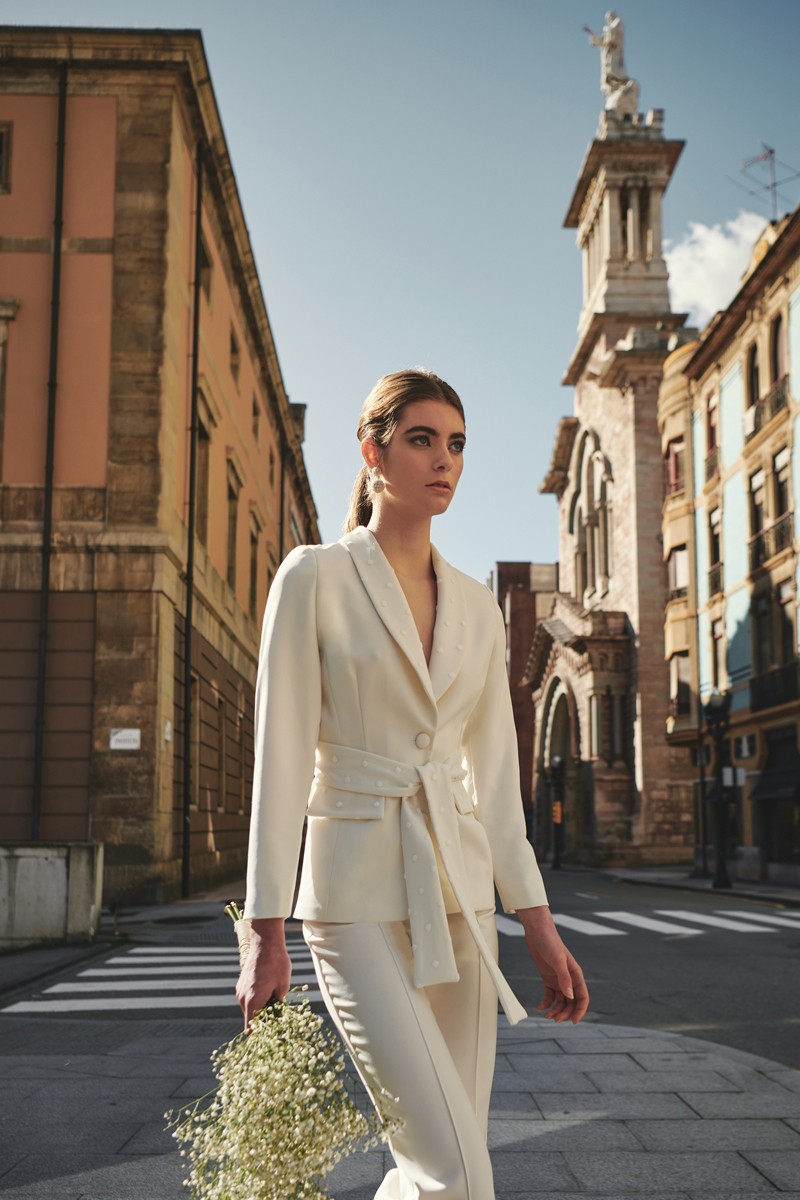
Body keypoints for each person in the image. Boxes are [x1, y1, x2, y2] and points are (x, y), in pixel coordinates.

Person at [237, 368, 589, 1199]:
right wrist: (262, 926)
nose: (445, 460)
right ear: (374, 453)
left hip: (463, 902)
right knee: (455, 1168)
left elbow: (497, 784)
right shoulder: (313, 577)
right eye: (422, 439)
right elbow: (280, 758)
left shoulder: (477, 606)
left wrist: (536, 922)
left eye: (457, 443)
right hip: (351, 896)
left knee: (438, 1172)